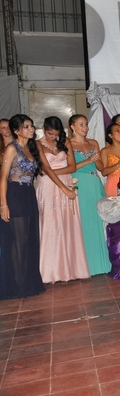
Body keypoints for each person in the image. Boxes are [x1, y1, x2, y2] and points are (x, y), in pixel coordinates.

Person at [36, 116, 90, 283]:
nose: (53, 137)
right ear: (44, 130)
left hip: (66, 181)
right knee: (51, 225)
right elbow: (44, 167)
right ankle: (50, 271)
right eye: (50, 134)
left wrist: (51, 173)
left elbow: (72, 167)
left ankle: (73, 269)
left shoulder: (65, 142)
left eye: (56, 134)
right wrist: (58, 182)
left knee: (69, 223)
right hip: (48, 187)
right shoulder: (37, 144)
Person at [0, 115, 46, 300]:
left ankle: (29, 282)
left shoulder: (30, 147)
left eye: (31, 126)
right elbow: (3, 177)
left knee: (30, 239)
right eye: (26, 127)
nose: (31, 129)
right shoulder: (12, 148)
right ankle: (18, 285)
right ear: (16, 130)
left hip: (28, 194)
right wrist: (3, 204)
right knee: (19, 241)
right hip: (15, 194)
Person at [69, 114, 110, 276]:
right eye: (81, 124)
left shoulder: (93, 143)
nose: (85, 127)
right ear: (72, 127)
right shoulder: (68, 144)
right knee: (84, 223)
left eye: (86, 124)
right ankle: (85, 266)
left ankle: (101, 264)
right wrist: (88, 160)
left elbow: (100, 167)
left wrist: (97, 159)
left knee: (98, 222)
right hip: (80, 184)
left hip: (94, 183)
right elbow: (70, 167)